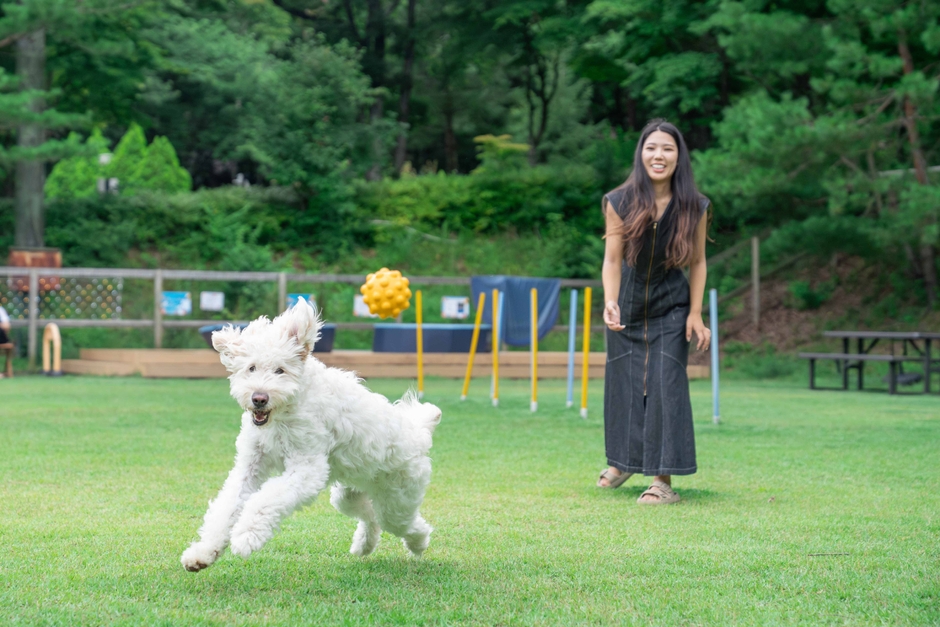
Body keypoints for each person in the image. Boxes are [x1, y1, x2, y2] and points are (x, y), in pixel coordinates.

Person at [595, 119, 710, 505]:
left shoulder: (695, 206)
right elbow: (612, 260)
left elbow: (698, 262)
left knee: (666, 384)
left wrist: (695, 313)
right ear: (641, 154)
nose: (658, 155)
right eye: (651, 147)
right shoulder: (619, 201)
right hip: (626, 306)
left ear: (679, 157)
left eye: (667, 148)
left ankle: (662, 480)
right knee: (623, 385)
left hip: (672, 306)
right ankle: (624, 462)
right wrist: (610, 301)